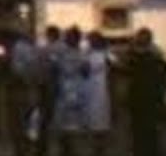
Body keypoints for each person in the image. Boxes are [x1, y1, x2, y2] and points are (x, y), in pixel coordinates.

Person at [124, 28, 166, 156]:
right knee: (140, 130)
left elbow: (165, 71)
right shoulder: (135, 54)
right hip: (139, 97)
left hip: (148, 97)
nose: (141, 40)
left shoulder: (154, 54)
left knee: (149, 130)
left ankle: (148, 151)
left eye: (143, 37)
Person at [52, 26, 86, 156]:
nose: (68, 39)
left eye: (71, 37)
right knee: (61, 123)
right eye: (67, 36)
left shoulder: (82, 54)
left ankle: (72, 150)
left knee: (74, 124)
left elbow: (85, 71)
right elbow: (54, 69)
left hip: (76, 90)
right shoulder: (61, 52)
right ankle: (64, 149)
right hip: (63, 90)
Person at [34, 26, 63, 156]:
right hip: (60, 88)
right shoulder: (63, 49)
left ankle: (42, 148)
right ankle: (64, 148)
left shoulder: (45, 50)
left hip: (48, 88)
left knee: (45, 119)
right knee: (60, 119)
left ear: (50, 35)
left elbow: (42, 69)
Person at [84, 31, 114, 156]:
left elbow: (115, 67)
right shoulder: (88, 54)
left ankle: (100, 146)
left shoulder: (106, 54)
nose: (91, 42)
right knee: (93, 116)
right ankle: (95, 146)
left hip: (101, 88)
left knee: (101, 116)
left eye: (92, 40)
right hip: (91, 88)